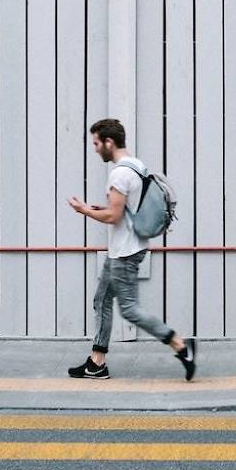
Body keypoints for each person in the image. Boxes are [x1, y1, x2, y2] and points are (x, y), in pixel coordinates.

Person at [67, 118, 196, 381]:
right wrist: (93, 208)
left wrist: (84, 212)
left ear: (108, 142)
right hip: (121, 249)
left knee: (129, 309)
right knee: (101, 300)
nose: (95, 149)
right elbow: (125, 211)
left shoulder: (119, 174)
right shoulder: (137, 166)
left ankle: (181, 345)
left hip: (125, 252)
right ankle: (97, 362)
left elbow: (114, 217)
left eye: (96, 143)